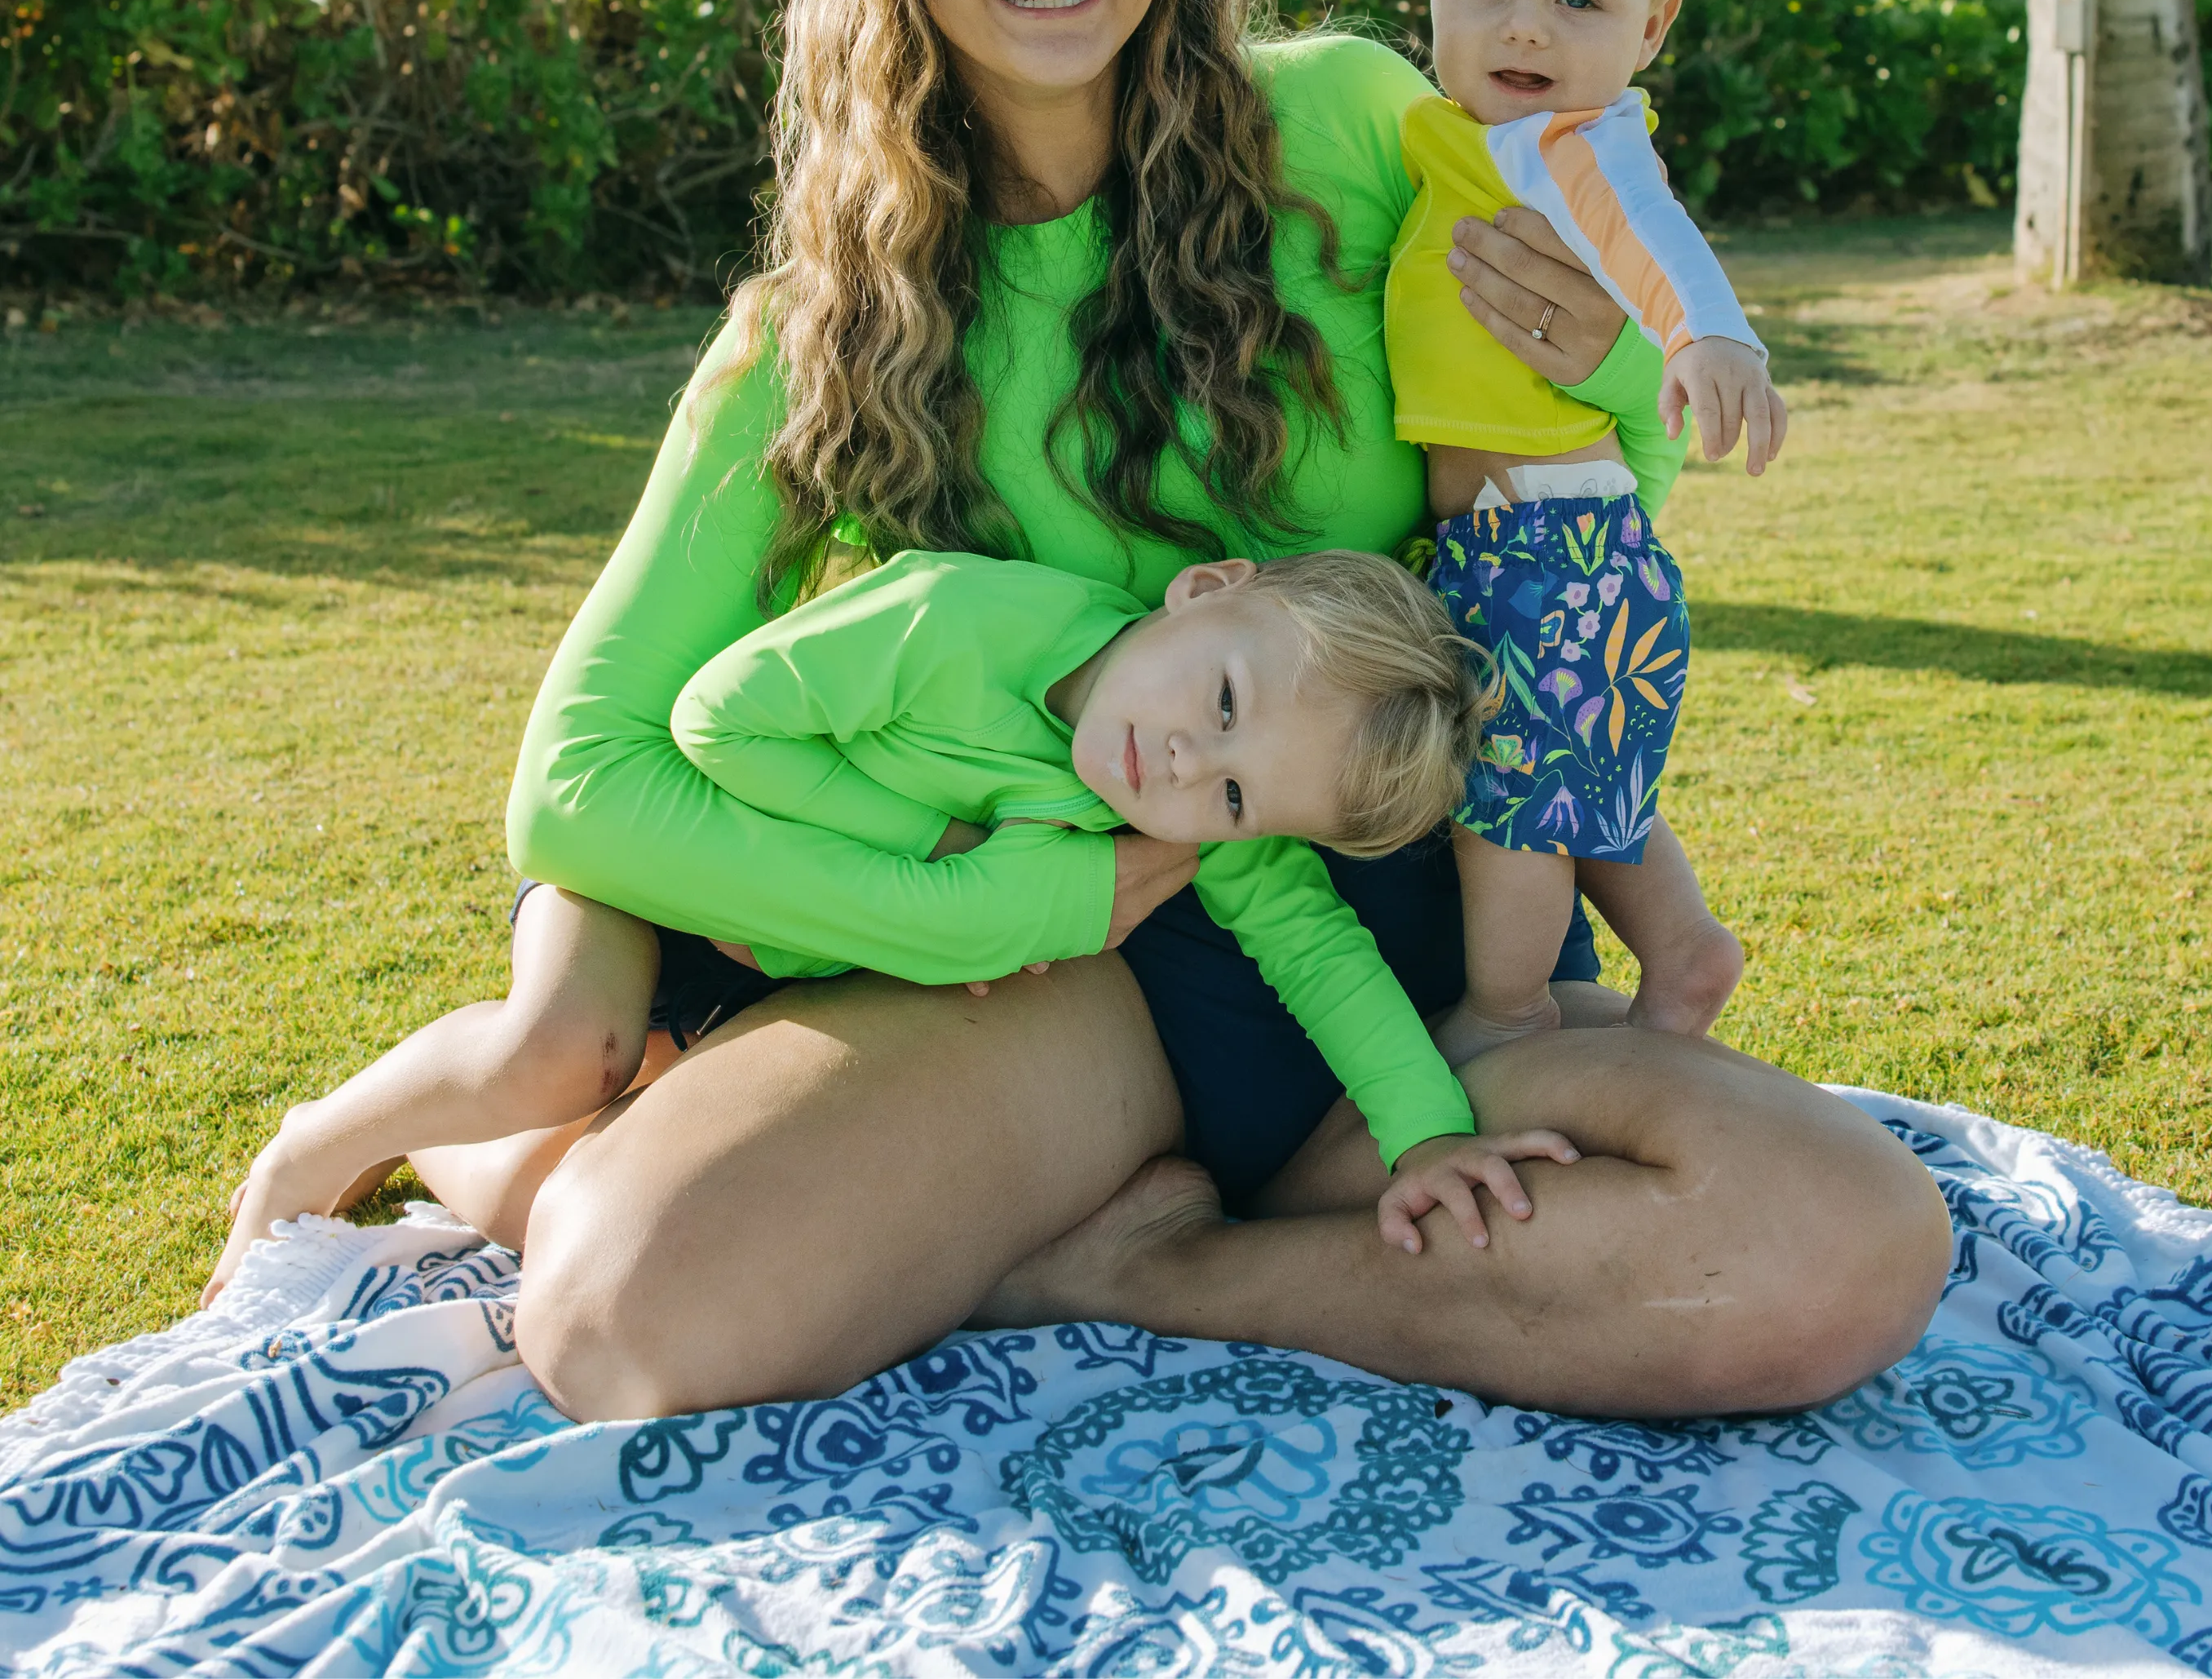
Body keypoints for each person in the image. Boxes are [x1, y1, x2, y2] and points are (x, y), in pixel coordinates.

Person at [400, 0, 1949, 1422]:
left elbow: (1574, 513)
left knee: (1837, 1250)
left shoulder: (1362, 129)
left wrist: (1613, 363)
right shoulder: (813, 331)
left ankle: (1154, 1270)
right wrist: (994, 904)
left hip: (1421, 958)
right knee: (631, 1319)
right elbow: (582, 783)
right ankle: (697, 1145)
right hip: (1072, 986)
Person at [206, 547, 1575, 1301]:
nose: (1182, 768)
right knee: (562, 1050)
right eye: (1217, 704)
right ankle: (308, 1151)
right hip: (663, 880)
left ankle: (470, 1145)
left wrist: (1427, 1132)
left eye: (1234, 795)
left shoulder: (1177, 830)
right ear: (1208, 587)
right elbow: (717, 724)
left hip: (794, 965)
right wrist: (933, 859)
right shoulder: (953, 622)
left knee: (573, 1179)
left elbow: (1320, 953)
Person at [1387, 0, 1784, 1064]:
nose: (1522, 26)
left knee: (1503, 810)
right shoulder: (1476, 139)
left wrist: (1712, 337)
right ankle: (1685, 951)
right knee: (1578, 776)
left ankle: (1508, 1012)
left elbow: (1655, 236)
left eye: (1578, 3)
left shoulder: (1571, 143)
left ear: (1652, 25)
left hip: (1539, 554)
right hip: (1556, 548)